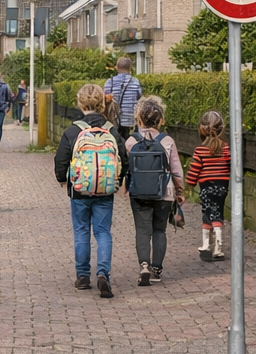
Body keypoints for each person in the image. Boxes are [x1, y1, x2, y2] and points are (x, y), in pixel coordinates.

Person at [54, 83, 127, 298]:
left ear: (80, 103)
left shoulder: (74, 130)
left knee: (82, 231)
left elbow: (61, 158)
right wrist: (119, 180)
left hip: (79, 190)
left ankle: (83, 276)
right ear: (102, 104)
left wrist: (61, 178)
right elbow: (124, 157)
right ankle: (103, 274)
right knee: (103, 231)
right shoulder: (111, 130)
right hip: (105, 190)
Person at [125, 96, 184, 286]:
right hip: (164, 192)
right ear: (160, 120)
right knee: (159, 229)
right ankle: (157, 269)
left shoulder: (131, 142)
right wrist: (180, 191)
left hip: (139, 192)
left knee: (142, 230)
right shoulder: (167, 141)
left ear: (138, 119)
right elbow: (176, 169)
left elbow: (127, 167)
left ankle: (144, 265)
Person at [186, 110, 231, 262]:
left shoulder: (200, 150)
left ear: (202, 129)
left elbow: (194, 170)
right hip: (222, 187)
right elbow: (230, 166)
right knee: (218, 213)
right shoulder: (225, 149)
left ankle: (207, 245)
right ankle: (218, 247)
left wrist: (189, 185)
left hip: (206, 187)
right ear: (221, 129)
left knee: (207, 214)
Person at [104, 56, 142, 141]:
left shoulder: (110, 82)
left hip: (113, 122)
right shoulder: (135, 82)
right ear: (130, 68)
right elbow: (139, 99)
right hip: (130, 122)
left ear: (117, 67)